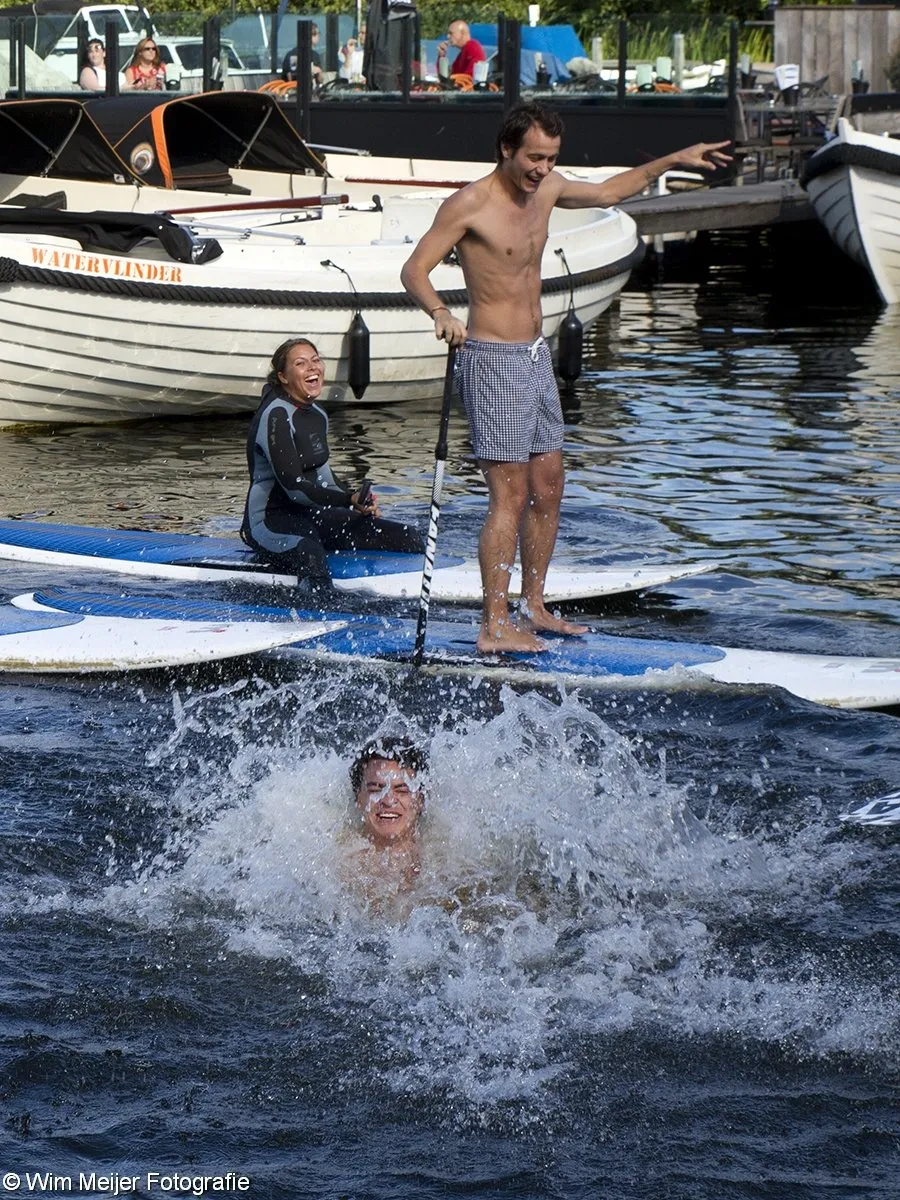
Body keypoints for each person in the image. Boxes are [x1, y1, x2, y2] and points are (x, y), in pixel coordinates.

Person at [400, 102, 732, 654]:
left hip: (534, 355)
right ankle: (493, 624)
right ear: (507, 149)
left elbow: (606, 193)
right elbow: (414, 269)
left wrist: (672, 159)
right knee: (508, 495)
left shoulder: (549, 189)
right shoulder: (470, 203)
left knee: (549, 486)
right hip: (493, 359)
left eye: (551, 158)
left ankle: (534, 606)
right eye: (534, 157)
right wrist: (440, 312)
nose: (542, 168)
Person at [240, 337, 425, 586]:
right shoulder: (275, 415)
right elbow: (294, 488)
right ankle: (316, 617)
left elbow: (325, 478)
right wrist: (346, 500)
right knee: (311, 556)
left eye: (316, 360)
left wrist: (357, 501)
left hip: (311, 516)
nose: (313, 367)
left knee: (407, 537)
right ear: (283, 377)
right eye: (301, 363)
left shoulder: (317, 415)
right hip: (270, 522)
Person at [343, 737, 429, 904]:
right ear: (358, 798)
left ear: (420, 800)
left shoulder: (442, 859)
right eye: (375, 789)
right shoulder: (338, 865)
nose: (388, 800)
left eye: (402, 790)